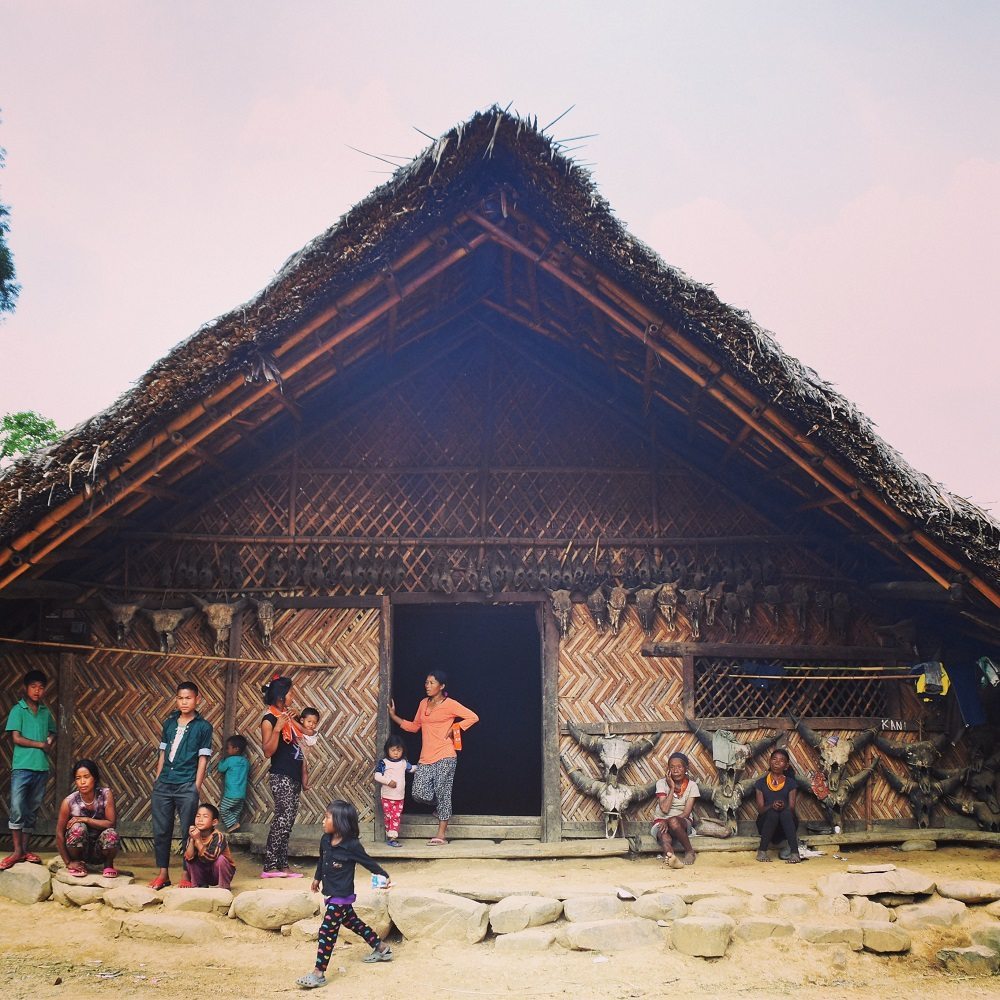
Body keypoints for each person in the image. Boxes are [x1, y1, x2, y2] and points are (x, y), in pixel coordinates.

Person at [295, 799, 392, 990]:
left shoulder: (352, 845)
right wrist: (316, 879)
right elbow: (322, 860)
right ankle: (382, 948)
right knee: (352, 922)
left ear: (340, 821)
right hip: (330, 892)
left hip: (342, 895)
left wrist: (383, 875)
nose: (323, 821)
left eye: (327, 817)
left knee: (326, 931)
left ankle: (318, 973)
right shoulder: (325, 840)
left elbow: (367, 862)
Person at [388, 669, 478, 845]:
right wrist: (394, 717)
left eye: (431, 683)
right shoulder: (423, 703)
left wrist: (455, 728)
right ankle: (443, 807)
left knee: (443, 792)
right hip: (426, 757)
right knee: (418, 793)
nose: (427, 686)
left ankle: (441, 835)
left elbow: (473, 717)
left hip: (446, 755)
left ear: (441, 686)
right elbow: (415, 727)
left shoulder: (450, 704)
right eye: (426, 682)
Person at [150, 680, 213, 890]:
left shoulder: (204, 727)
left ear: (197, 699)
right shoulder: (169, 724)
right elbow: (162, 753)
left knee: (188, 830)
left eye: (188, 698)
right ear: (176, 700)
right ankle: (163, 874)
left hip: (187, 784)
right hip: (164, 783)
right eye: (180, 698)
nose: (184, 702)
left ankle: (186, 874)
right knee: (161, 830)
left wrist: (196, 785)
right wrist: (158, 778)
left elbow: (203, 759)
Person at [2, 669, 58, 870]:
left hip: (41, 767)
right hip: (22, 767)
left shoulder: (45, 712)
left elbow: (53, 730)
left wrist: (49, 740)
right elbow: (16, 738)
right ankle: (16, 851)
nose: (37, 691)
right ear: (26, 688)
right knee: (17, 807)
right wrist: (41, 745)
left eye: (41, 687)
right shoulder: (19, 710)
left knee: (32, 809)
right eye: (33, 686)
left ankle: (24, 850)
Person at [260, 674, 304, 878]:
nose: (292, 696)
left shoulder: (288, 717)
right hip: (281, 775)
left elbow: (310, 735)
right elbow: (268, 751)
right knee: (282, 819)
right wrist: (277, 729)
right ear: (280, 696)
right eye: (290, 693)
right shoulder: (269, 720)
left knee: (289, 820)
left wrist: (295, 719)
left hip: (293, 774)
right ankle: (269, 866)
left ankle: (283, 865)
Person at [55, 759, 120, 877]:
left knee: (111, 833)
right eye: (78, 778)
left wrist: (86, 819)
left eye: (86, 777)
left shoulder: (105, 794)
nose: (82, 782)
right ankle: (78, 863)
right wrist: (68, 862)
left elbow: (111, 824)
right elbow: (59, 833)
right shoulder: (69, 802)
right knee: (77, 828)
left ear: (94, 778)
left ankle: (108, 865)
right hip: (79, 851)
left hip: (100, 850)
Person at [754, 748, 802, 863]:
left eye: (781, 760)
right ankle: (762, 851)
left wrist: (782, 806)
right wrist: (772, 806)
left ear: (786, 766)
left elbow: (791, 808)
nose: (777, 762)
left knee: (785, 812)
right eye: (774, 759)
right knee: (773, 813)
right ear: (770, 761)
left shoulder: (791, 783)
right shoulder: (760, 783)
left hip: (785, 826)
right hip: (766, 825)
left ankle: (795, 854)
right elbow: (760, 810)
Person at [652, 751, 700, 867]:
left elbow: (686, 812)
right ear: (668, 769)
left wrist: (668, 821)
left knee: (673, 821)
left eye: (679, 767)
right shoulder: (661, 783)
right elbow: (664, 809)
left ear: (686, 768)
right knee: (664, 836)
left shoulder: (692, 786)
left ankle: (690, 851)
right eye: (672, 767)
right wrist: (672, 787)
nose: (675, 770)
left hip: (681, 822)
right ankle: (671, 857)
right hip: (661, 821)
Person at [181, 802, 236, 888]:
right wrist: (192, 839)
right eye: (198, 816)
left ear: (214, 822)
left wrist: (198, 841)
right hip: (204, 873)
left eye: (205, 816)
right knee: (191, 861)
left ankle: (224, 887)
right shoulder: (194, 835)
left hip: (218, 873)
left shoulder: (218, 836)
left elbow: (211, 857)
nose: (200, 819)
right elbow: (188, 858)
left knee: (221, 860)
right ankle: (199, 885)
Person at [375, 733, 415, 847]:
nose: (396, 753)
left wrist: (423, 767)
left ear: (403, 751)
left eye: (399, 750)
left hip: (399, 797)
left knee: (396, 816)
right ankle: (391, 837)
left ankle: (392, 838)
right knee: (389, 816)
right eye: (393, 750)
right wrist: (388, 782)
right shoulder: (384, 763)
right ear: (387, 750)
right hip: (387, 796)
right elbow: (377, 776)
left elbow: (412, 769)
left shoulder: (403, 763)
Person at [217, 734, 249, 832]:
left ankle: (233, 824)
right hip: (242, 794)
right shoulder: (245, 762)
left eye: (228, 748)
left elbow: (221, 769)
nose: (227, 750)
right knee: (235, 812)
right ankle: (234, 829)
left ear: (236, 749)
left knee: (223, 809)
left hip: (231, 793)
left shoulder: (230, 760)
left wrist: (221, 761)